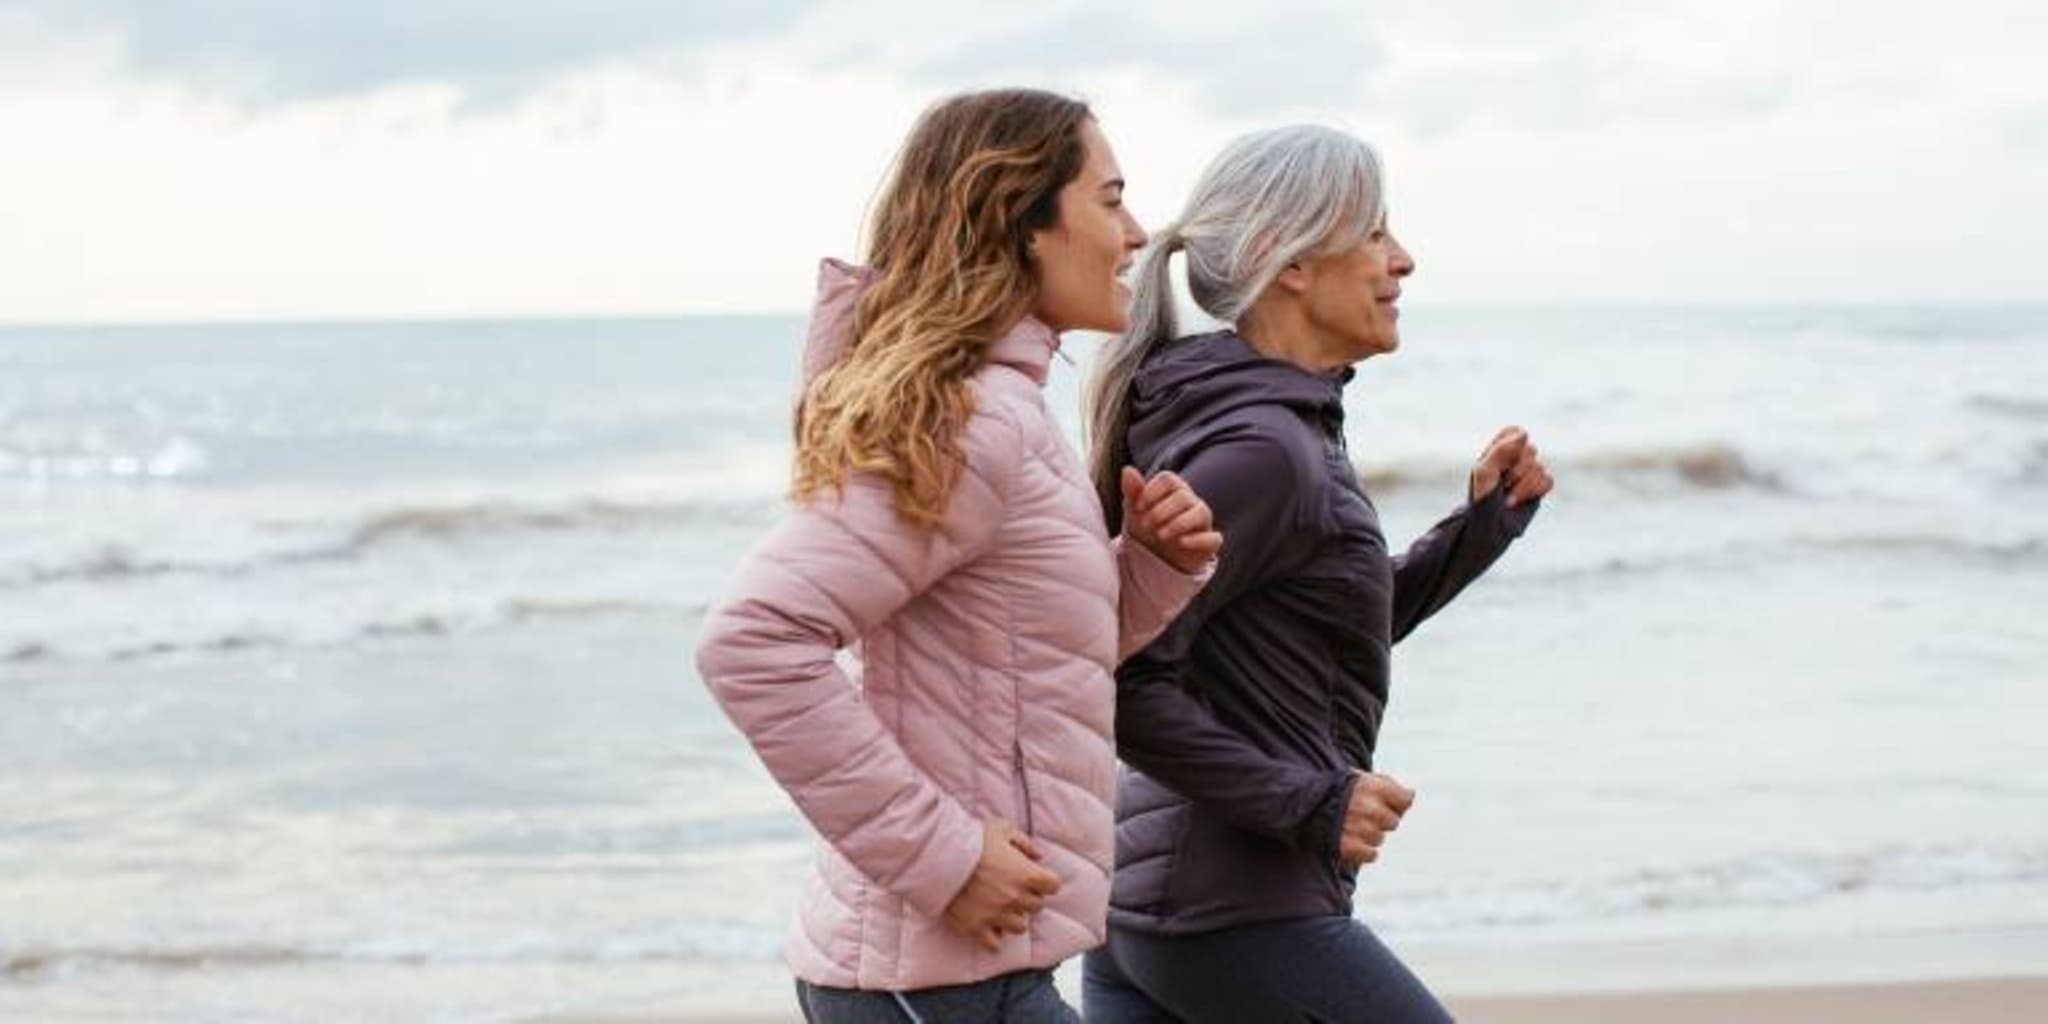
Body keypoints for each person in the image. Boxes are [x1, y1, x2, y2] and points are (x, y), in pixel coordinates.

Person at [694, 89, 1221, 1023]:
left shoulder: (1004, 407)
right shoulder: (970, 420)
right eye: (1109, 199)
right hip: (934, 979)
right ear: (1024, 224)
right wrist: (940, 855)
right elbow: (754, 641)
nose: (1137, 233)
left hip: (967, 970)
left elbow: (1023, 657)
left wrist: (1147, 567)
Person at [1079, 125, 1554, 1022]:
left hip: (1166, 915)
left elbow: (1309, 633)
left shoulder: (1276, 428)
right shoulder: (1265, 450)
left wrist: (1478, 530)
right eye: (1375, 233)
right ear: (1286, 262)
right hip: (1230, 914)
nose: (1402, 261)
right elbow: (1110, 674)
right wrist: (1312, 803)